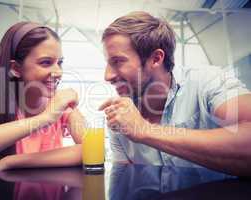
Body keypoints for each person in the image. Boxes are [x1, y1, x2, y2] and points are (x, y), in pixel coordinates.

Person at [99, 11, 251, 176]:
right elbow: (125, 183)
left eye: (117, 61)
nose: (107, 76)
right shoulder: (120, 118)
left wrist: (145, 130)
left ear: (156, 59)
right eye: (108, 63)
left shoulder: (207, 81)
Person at [0, 22, 85, 174]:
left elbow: (94, 151)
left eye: (59, 62)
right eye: (46, 62)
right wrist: (43, 119)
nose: (58, 72)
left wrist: (12, 162)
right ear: (16, 68)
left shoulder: (60, 104)